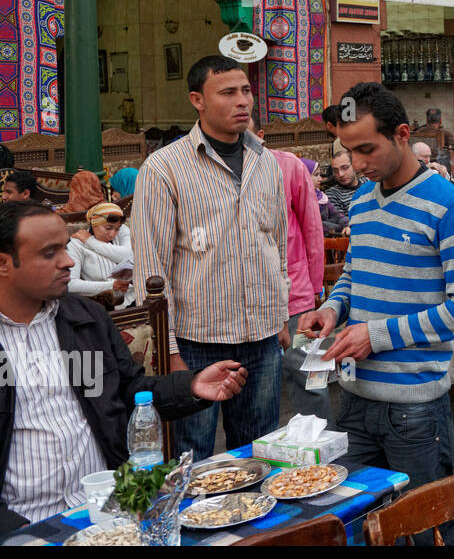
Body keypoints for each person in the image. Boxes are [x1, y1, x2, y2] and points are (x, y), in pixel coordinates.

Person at [298, 83, 454, 546]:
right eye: (348, 151)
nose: (358, 163)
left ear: (402, 134)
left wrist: (375, 336)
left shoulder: (450, 205)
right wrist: (331, 308)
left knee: (421, 533)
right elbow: (355, 276)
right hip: (356, 398)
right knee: (357, 526)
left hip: (415, 410)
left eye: (366, 149)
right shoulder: (361, 202)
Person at [0, 200, 248, 531]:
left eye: (65, 248)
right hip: (23, 524)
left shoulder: (83, 320)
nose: (68, 261)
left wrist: (190, 386)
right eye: (49, 253)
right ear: (3, 263)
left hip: (112, 509)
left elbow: (129, 391)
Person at [130, 55, 288, 459]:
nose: (243, 102)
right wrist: (169, 351)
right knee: (193, 456)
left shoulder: (265, 161)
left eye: (247, 91)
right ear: (197, 100)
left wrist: (282, 314)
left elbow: (277, 242)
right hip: (197, 340)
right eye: (228, 92)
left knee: (259, 453)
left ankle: (258, 524)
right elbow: (151, 268)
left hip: (262, 335)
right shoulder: (164, 168)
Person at [248, 116, 329, 425]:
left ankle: (320, 448)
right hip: (249, 300)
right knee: (259, 384)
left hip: (295, 293)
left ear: (260, 135)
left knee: (309, 375)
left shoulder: (288, 166)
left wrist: (315, 284)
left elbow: (311, 227)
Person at [66, 202, 133, 305]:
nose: (112, 234)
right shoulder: (76, 244)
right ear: (94, 224)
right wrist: (112, 286)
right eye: (108, 228)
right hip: (102, 304)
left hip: (133, 297)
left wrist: (90, 241)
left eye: (117, 229)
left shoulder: (121, 231)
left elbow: (127, 256)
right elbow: (70, 284)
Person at [304, 158, 349, 236]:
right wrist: (339, 228)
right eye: (316, 175)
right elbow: (315, 225)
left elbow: (335, 214)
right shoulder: (302, 201)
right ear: (304, 176)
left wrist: (347, 224)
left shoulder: (321, 197)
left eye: (320, 175)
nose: (320, 179)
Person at [325, 151, 360, 216]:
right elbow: (342, 222)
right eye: (336, 171)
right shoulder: (332, 194)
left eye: (345, 168)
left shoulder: (369, 183)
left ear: (354, 166)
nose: (340, 174)